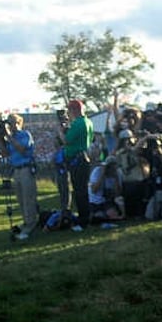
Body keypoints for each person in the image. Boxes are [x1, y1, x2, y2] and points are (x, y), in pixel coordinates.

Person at [0, 114, 39, 240]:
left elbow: (21, 149)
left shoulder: (25, 134)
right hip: (16, 170)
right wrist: (0, 138)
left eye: (14, 122)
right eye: (9, 123)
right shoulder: (11, 138)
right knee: (21, 200)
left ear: (19, 123)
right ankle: (26, 222)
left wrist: (8, 136)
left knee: (28, 198)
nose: (11, 125)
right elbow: (4, 154)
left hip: (26, 168)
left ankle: (31, 225)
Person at [59, 99, 94, 231]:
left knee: (79, 191)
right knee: (82, 190)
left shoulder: (78, 123)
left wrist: (60, 131)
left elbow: (66, 141)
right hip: (83, 156)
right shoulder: (88, 122)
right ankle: (85, 217)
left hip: (76, 159)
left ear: (74, 110)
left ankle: (83, 220)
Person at [88, 156, 124, 224]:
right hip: (96, 201)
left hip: (107, 201)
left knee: (114, 208)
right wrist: (102, 174)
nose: (112, 170)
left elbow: (118, 193)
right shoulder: (97, 172)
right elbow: (94, 190)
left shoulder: (118, 173)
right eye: (110, 167)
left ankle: (121, 215)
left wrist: (116, 178)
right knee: (98, 216)